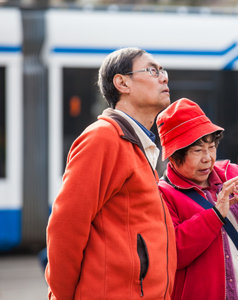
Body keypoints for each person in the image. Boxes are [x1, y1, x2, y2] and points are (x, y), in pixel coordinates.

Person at [45, 47, 177, 299]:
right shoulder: (104, 138)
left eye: (163, 71)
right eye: (152, 70)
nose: (164, 77)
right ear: (122, 83)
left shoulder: (137, 143)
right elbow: (65, 227)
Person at [156, 98, 238, 300]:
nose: (207, 158)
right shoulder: (163, 194)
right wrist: (215, 215)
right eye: (197, 150)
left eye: (211, 147)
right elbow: (173, 253)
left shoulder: (232, 172)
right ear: (173, 156)